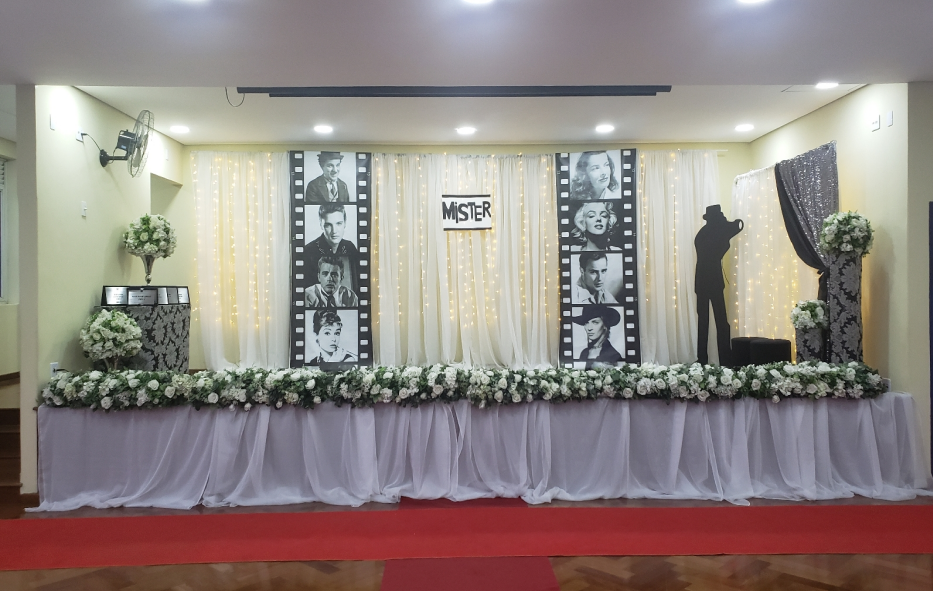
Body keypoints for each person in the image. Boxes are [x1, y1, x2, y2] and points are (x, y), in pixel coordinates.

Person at [694, 204, 744, 366]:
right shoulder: (718, 231)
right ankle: (725, 359)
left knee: (704, 321)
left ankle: (702, 359)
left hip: (701, 280)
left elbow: (735, 226)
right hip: (713, 279)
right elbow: (737, 225)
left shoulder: (703, 233)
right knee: (721, 320)